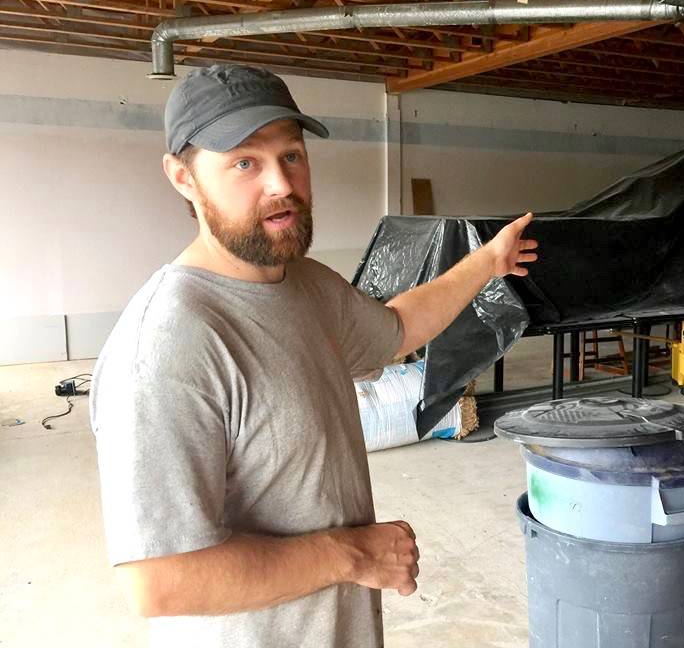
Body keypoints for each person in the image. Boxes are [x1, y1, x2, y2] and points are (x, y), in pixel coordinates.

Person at [89, 64, 538, 648]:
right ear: (183, 178)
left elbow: (398, 327)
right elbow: (157, 581)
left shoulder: (306, 286)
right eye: (244, 162)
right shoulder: (169, 343)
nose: (281, 184)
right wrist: (351, 554)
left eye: (292, 155)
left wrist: (488, 262)